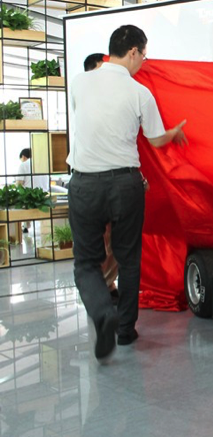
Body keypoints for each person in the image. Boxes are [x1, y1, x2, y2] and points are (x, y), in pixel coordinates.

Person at [68, 25, 187, 361]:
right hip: (125, 185)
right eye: (144, 56)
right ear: (133, 51)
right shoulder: (140, 92)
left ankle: (102, 314)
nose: (143, 63)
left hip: (85, 184)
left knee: (86, 262)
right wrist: (174, 133)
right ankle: (124, 330)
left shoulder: (79, 82)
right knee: (129, 258)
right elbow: (155, 139)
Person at [83, 53, 119, 304]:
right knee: (101, 241)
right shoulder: (87, 102)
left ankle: (108, 284)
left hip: (114, 182)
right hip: (92, 183)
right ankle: (101, 289)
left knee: (114, 239)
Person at [16, 148, 50, 233]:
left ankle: (25, 227)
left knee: (19, 200)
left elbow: (19, 184)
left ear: (23, 157)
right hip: (44, 197)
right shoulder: (43, 163)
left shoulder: (23, 165)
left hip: (30, 199)